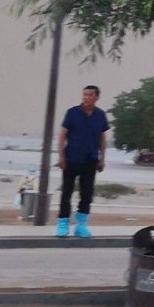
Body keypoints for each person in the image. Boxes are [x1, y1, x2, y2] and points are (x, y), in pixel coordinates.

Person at [56, 85, 109, 238]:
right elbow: (62, 135)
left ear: (97, 97)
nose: (86, 98)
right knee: (66, 192)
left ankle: (81, 224)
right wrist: (60, 156)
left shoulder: (100, 115)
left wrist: (102, 158)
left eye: (90, 95)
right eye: (84, 94)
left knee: (87, 193)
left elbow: (102, 138)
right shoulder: (72, 113)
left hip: (90, 159)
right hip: (71, 158)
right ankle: (63, 223)